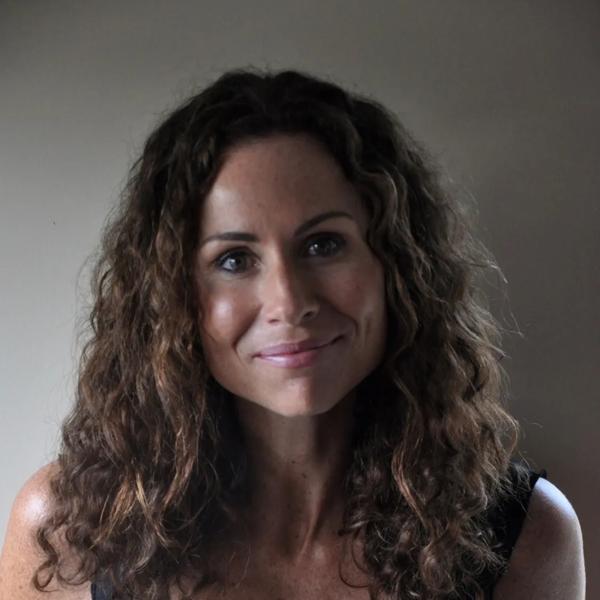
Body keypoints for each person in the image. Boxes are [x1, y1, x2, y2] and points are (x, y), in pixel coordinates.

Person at [0, 68, 585, 600]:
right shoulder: (68, 530)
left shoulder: (526, 534)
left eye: (323, 244)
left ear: (397, 268)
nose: (290, 301)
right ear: (173, 296)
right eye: (234, 259)